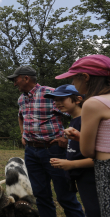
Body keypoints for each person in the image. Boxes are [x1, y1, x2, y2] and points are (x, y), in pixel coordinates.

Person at [7, 66, 84, 217]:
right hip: (31, 152)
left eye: (16, 80)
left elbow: (76, 113)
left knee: (64, 195)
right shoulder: (21, 98)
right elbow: (20, 116)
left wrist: (66, 137)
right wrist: (23, 134)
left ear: (26, 78)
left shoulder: (51, 93)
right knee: (41, 195)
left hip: (53, 150)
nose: (14, 83)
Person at [55, 54, 110, 216]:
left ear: (85, 77)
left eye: (74, 79)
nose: (73, 84)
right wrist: (80, 136)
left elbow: (86, 151)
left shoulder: (93, 104)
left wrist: (83, 139)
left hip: (105, 169)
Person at [44, 84, 100, 217]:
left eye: (61, 99)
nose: (57, 103)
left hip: (91, 176)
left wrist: (71, 164)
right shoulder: (74, 120)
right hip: (81, 177)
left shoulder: (86, 120)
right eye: (55, 100)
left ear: (78, 99)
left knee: (95, 210)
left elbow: (100, 156)